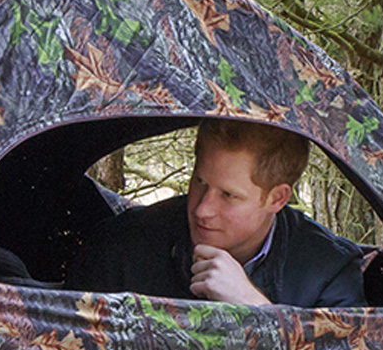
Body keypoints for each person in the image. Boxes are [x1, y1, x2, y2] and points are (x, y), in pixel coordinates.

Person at [72, 120, 366, 308]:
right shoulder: (124, 246)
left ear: (277, 198)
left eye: (228, 195)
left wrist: (257, 310)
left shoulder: (327, 274)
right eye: (199, 182)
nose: (202, 209)